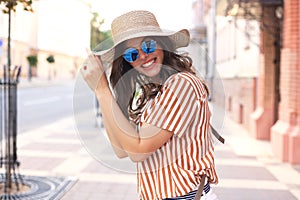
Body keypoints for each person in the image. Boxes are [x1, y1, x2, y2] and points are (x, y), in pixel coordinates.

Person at [81, 10, 219, 200]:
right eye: (131, 54)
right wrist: (100, 90)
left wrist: (103, 90)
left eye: (148, 45)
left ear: (163, 45)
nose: (142, 56)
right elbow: (121, 150)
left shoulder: (182, 84)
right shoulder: (150, 93)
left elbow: (138, 152)